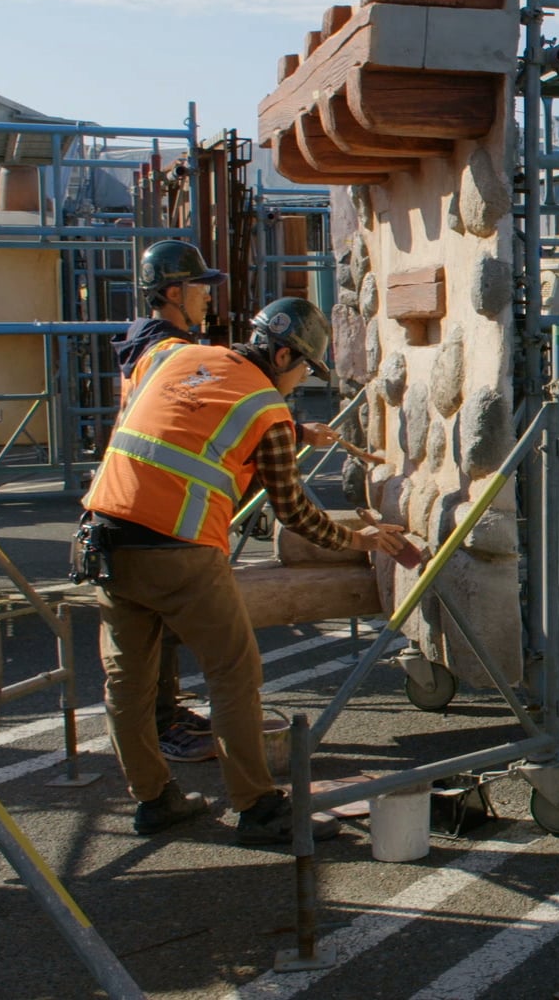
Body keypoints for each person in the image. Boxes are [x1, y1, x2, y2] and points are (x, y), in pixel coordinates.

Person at [80, 297, 405, 845]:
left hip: (106, 540)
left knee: (127, 683)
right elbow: (295, 512)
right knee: (234, 674)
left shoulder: (175, 358)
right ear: (281, 355)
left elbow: (188, 415)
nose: (301, 381)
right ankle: (257, 808)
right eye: (303, 369)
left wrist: (299, 432)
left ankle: (155, 801)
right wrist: (358, 538)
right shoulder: (268, 411)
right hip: (181, 551)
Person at [109, 239, 224, 764]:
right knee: (151, 642)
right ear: (173, 292)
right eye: (200, 288)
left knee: (152, 638)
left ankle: (165, 721)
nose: (207, 298)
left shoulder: (146, 345)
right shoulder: (167, 353)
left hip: (132, 509)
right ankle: (162, 728)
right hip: (144, 512)